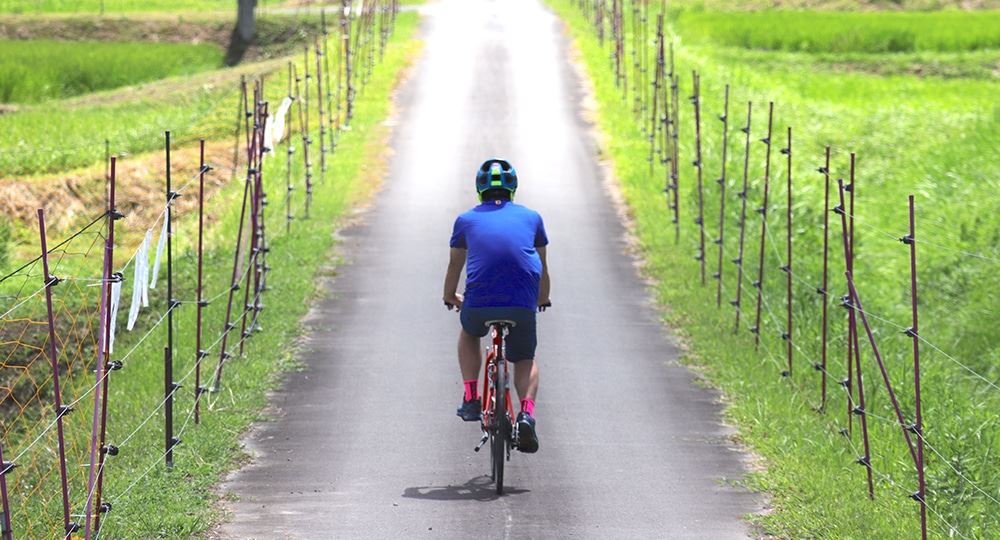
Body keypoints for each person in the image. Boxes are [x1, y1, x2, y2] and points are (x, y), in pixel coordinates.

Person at [442, 158, 550, 454]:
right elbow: (541, 266)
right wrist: (542, 299)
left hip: (480, 301)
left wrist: (450, 296)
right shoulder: (532, 218)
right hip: (522, 301)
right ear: (514, 188)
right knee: (524, 357)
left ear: (479, 190)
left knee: (469, 332)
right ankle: (526, 413)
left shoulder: (466, 220)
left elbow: (455, 263)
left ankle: (471, 397)